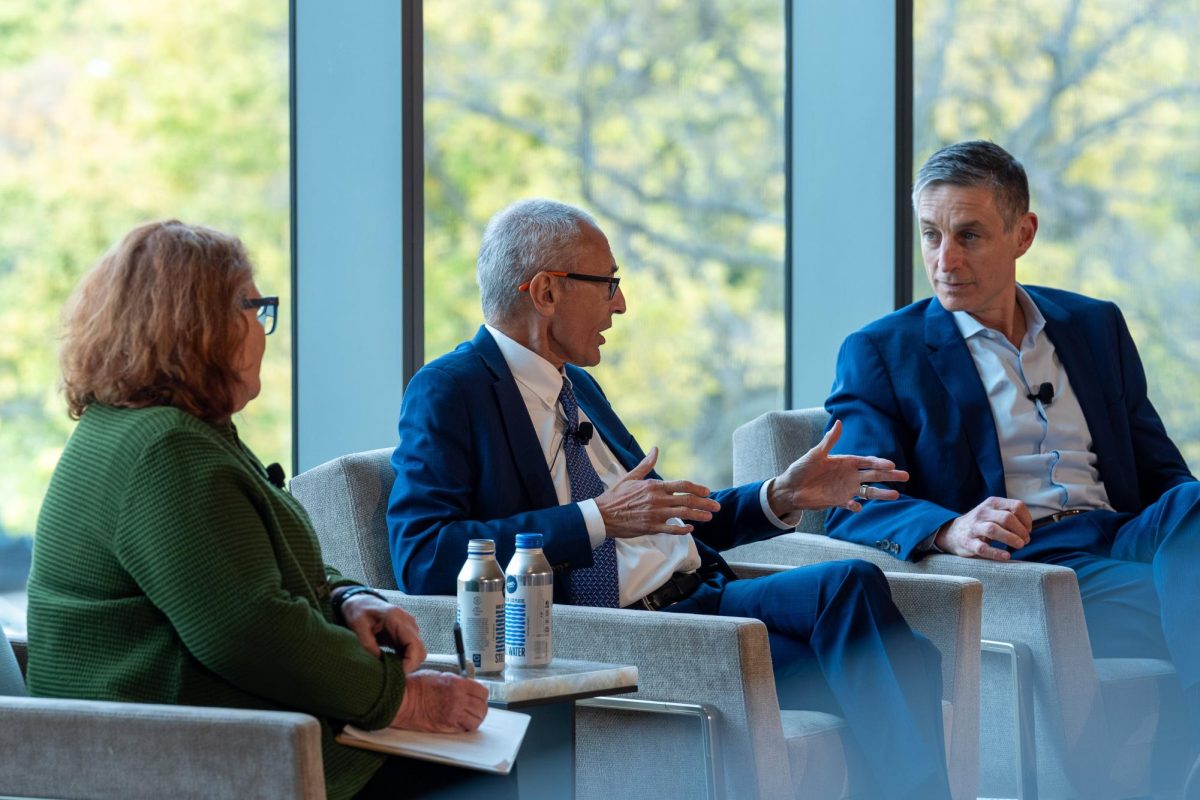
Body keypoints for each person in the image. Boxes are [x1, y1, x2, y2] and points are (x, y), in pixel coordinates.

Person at [387, 198, 953, 800]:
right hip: (621, 633)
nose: (620, 303)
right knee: (854, 595)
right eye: (607, 284)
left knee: (902, 648)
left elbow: (668, 517)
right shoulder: (452, 390)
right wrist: (595, 520)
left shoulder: (576, 385)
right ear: (546, 292)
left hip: (702, 603)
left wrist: (779, 495)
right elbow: (421, 556)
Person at [26, 220, 505, 800]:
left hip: (187, 738)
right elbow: (251, 632)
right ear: (201, 326)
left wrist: (348, 598)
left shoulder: (153, 432)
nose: (263, 330)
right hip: (187, 759)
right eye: (255, 307)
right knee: (504, 769)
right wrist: (407, 699)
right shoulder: (167, 452)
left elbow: (254, 567)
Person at [823, 139, 1200, 795]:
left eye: (969, 235)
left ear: (1023, 233)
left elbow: (1164, 475)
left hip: (1128, 535)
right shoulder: (882, 352)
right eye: (931, 235)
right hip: (1036, 563)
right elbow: (851, 499)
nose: (945, 260)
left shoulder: (1093, 325)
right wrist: (948, 530)